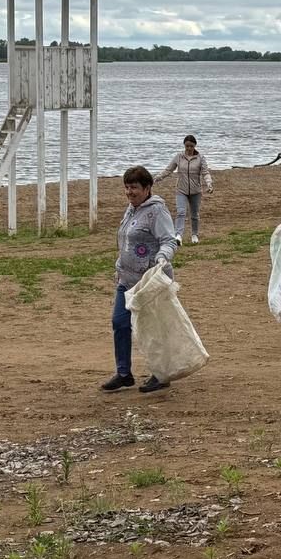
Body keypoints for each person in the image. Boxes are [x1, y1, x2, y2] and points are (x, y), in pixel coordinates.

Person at [102, 166, 179, 393]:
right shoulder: (131, 209)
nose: (129, 192)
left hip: (150, 281)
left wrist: (163, 257)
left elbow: (169, 240)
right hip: (126, 279)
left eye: (134, 187)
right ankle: (124, 373)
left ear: (147, 188)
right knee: (120, 323)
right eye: (126, 187)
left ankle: (161, 374)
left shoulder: (157, 211)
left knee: (153, 329)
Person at [154, 135, 214, 245]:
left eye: (191, 146)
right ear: (184, 146)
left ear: (195, 146)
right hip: (181, 190)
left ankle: (194, 235)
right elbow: (168, 170)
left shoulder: (201, 158)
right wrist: (157, 178)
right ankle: (178, 236)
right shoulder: (179, 157)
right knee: (181, 212)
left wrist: (209, 184)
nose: (189, 148)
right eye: (187, 146)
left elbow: (205, 172)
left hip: (196, 191)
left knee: (194, 214)